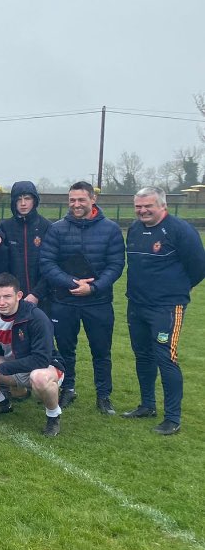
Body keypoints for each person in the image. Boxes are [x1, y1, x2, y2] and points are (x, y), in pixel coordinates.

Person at [123, 187, 205, 435]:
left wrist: (176, 289)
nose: (143, 210)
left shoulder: (181, 230)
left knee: (166, 358)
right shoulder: (135, 229)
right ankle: (147, 405)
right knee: (143, 355)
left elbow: (198, 268)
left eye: (148, 205)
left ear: (162, 205)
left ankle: (172, 417)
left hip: (166, 307)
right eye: (138, 206)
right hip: (136, 304)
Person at [39, 181, 125, 414]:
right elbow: (47, 262)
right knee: (65, 349)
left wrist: (94, 288)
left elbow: (116, 264)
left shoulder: (110, 229)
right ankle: (68, 389)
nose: (76, 204)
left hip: (98, 301)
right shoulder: (57, 229)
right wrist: (71, 282)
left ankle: (103, 395)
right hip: (64, 301)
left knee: (101, 351)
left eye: (81, 200)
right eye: (72, 200)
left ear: (93, 199)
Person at [0, 273, 65, 437]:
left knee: (39, 378)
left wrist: (1, 369)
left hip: (45, 367)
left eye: (7, 296)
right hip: (13, 365)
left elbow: (41, 359)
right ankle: (0, 403)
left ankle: (53, 416)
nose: (1, 302)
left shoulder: (36, 317)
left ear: (19, 295)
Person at [4, 181, 51, 313]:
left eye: (27, 198)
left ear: (34, 200)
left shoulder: (46, 226)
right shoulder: (5, 228)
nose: (23, 203)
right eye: (19, 199)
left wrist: (37, 294)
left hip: (43, 298)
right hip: (13, 298)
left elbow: (52, 264)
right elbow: (2, 265)